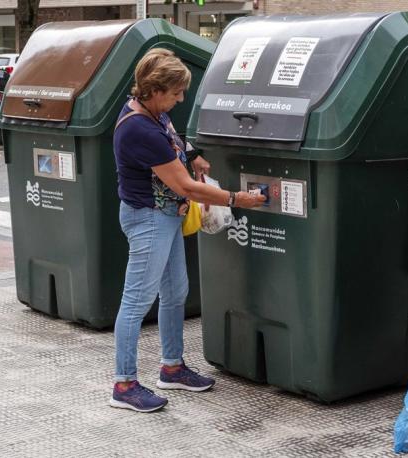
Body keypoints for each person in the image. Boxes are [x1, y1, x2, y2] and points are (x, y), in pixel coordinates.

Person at [109, 48, 265, 413]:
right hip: (148, 219)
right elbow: (188, 189)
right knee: (136, 301)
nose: (180, 99)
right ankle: (124, 383)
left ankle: (172, 367)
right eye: (176, 92)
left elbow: (171, 137)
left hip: (164, 218)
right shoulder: (138, 127)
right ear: (155, 89)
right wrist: (235, 199)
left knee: (176, 291)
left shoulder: (150, 112)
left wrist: (191, 153)